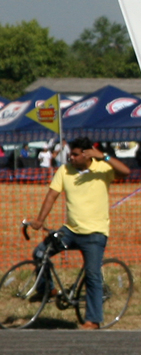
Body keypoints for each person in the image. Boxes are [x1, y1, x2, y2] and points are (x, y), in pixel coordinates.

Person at [25, 137, 130, 328]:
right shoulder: (64, 171)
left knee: (92, 275)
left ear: (86, 154)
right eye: (70, 153)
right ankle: (47, 290)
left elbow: (126, 172)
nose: (70, 157)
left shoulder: (102, 170)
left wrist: (104, 156)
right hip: (70, 231)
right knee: (40, 252)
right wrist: (39, 220)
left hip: (95, 233)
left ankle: (93, 319)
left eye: (75, 154)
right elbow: (52, 195)